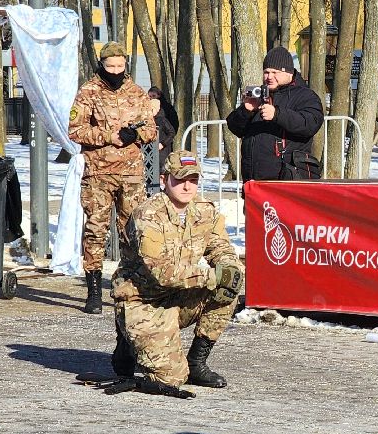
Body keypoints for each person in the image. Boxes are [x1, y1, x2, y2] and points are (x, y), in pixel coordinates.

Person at [107, 151, 244, 399]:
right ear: (164, 180)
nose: (186, 186)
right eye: (179, 179)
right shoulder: (148, 215)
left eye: (192, 180)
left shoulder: (204, 210)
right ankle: (127, 341)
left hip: (179, 297)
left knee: (229, 290)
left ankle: (196, 362)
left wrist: (230, 267)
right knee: (170, 379)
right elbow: (163, 273)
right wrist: (214, 276)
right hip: (143, 301)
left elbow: (220, 247)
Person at [69, 42, 157, 314]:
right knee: (96, 230)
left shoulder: (136, 91)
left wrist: (137, 135)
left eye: (120, 66)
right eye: (111, 67)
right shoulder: (89, 92)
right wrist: (108, 136)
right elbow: (75, 130)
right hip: (98, 173)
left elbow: (152, 128)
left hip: (130, 174)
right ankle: (94, 291)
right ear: (102, 64)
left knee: (131, 231)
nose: (116, 71)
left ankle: (128, 285)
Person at [226, 48, 324, 181]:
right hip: (255, 181)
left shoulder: (305, 95)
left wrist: (277, 114)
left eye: (274, 72)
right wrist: (246, 110)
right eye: (266, 72)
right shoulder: (259, 95)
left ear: (288, 72)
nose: (269, 77)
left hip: (289, 178)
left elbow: (310, 123)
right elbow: (234, 127)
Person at [144, 86, 180, 194]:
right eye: (149, 96)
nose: (151, 98)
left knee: (162, 171)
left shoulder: (166, 111)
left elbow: (172, 129)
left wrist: (164, 142)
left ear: (159, 96)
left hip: (163, 146)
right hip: (151, 149)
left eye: (153, 96)